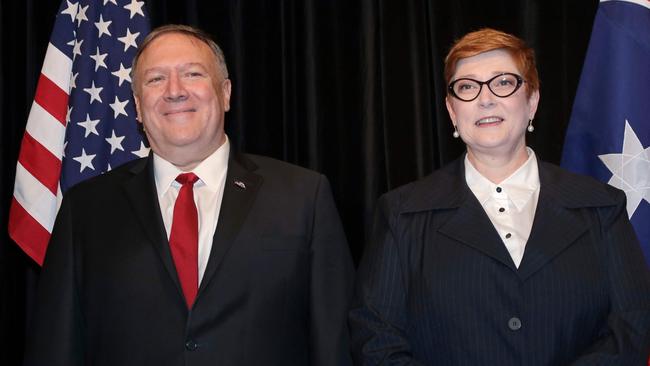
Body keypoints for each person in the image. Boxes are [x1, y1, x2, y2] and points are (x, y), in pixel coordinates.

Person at [23, 24, 354, 366]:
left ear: (225, 93)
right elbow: (55, 349)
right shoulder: (87, 209)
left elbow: (335, 345)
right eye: (155, 79)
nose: (175, 91)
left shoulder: (302, 197)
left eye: (192, 74)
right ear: (137, 106)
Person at [350, 28, 650, 365]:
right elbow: (376, 339)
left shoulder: (602, 206)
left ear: (532, 101)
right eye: (467, 87)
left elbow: (632, 327)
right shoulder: (401, 213)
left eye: (503, 82)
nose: (485, 99)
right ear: (452, 111)